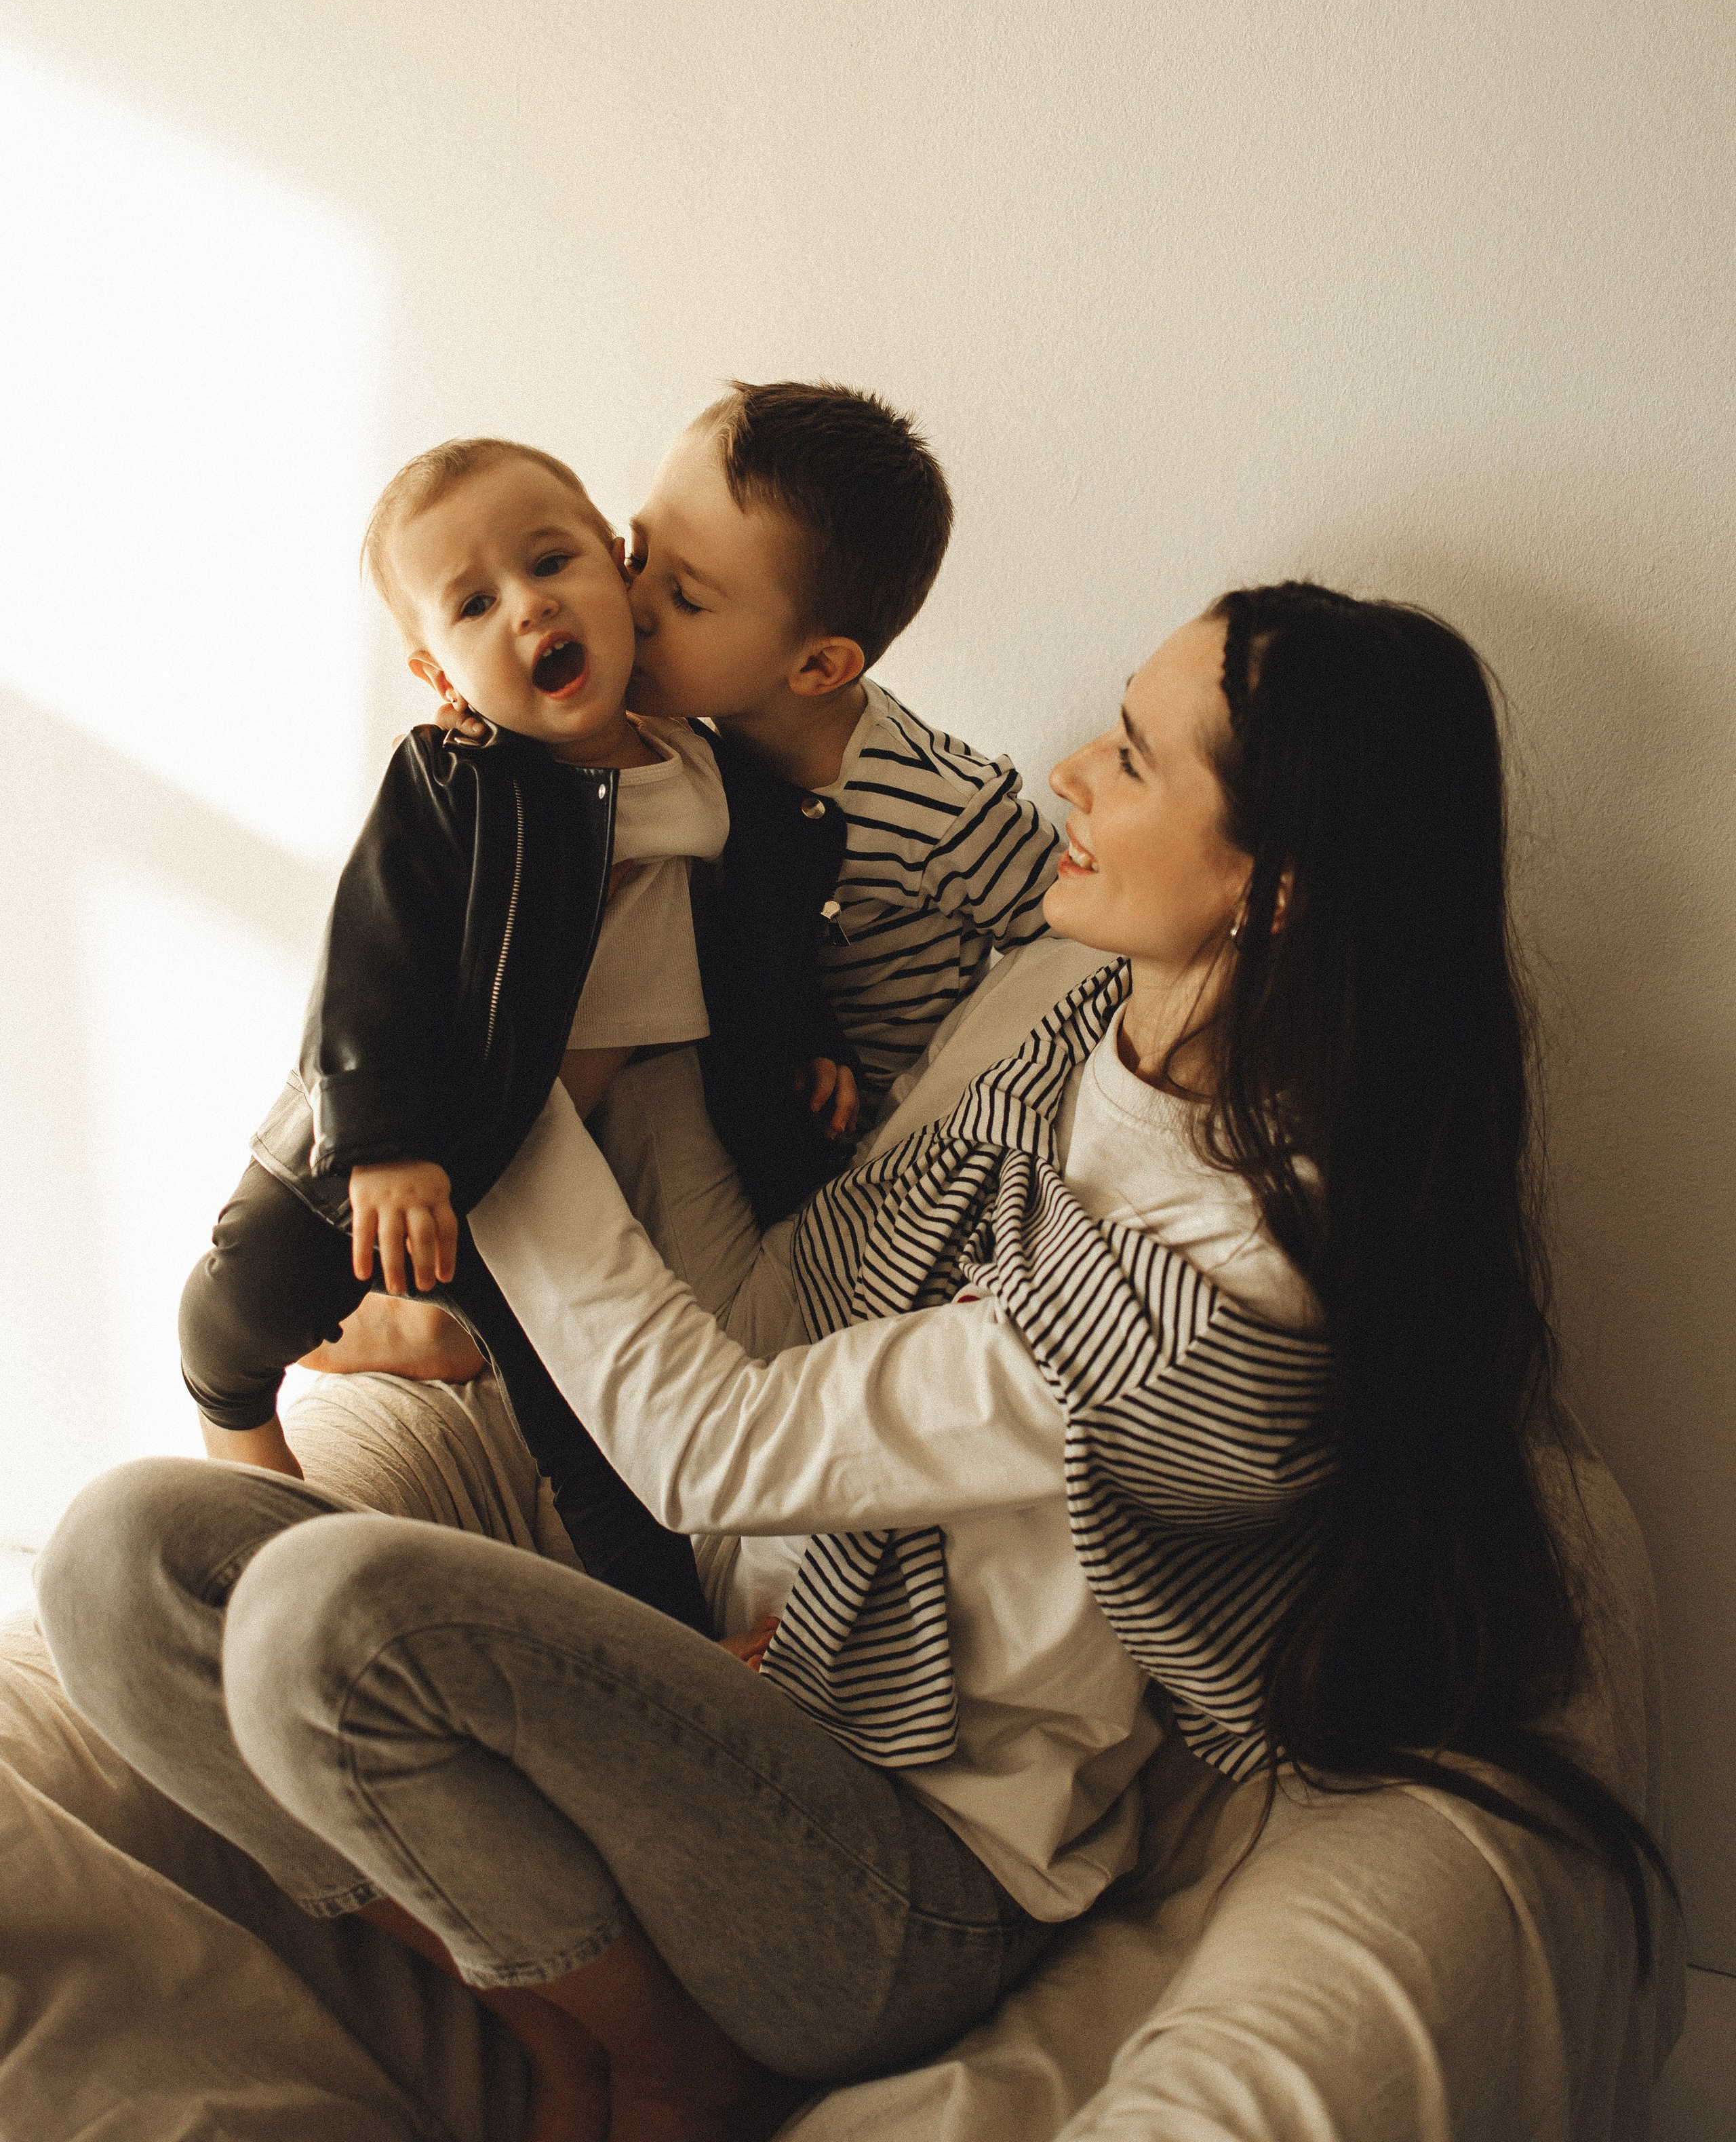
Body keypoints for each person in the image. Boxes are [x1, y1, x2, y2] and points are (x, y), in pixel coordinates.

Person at [40, 583, 1668, 2142]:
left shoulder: (1225, 1282)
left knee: (333, 1621)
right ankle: (564, 2024)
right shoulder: (1073, 1005)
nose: (1066, 772)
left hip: (911, 1870)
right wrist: (614, 1016)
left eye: (1132, 755)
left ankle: (686, 2079)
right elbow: (770, 1308)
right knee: (123, 1559)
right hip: (729, 1663)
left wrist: (489, 1077)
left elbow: (712, 1442)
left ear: (1277, 882)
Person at [176, 435, 761, 1626]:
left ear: (617, 561)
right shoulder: (460, 782)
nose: (529, 606)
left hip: (533, 1159)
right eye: (476, 604)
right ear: (439, 674)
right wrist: (383, 1144)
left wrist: (805, 1047)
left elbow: (744, 939)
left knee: (582, 1425)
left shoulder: (696, 764)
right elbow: (368, 963)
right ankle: (238, 1430)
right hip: (408, 1125)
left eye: (552, 562)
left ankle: (686, 1644)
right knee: (242, 1300)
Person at [625, 382, 1063, 1203]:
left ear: (819, 667)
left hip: (876, 1161)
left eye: (683, 597)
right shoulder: (687, 727)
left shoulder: (942, 809)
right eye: (634, 555)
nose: (633, 607)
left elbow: (1080, 937)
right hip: (753, 1083)